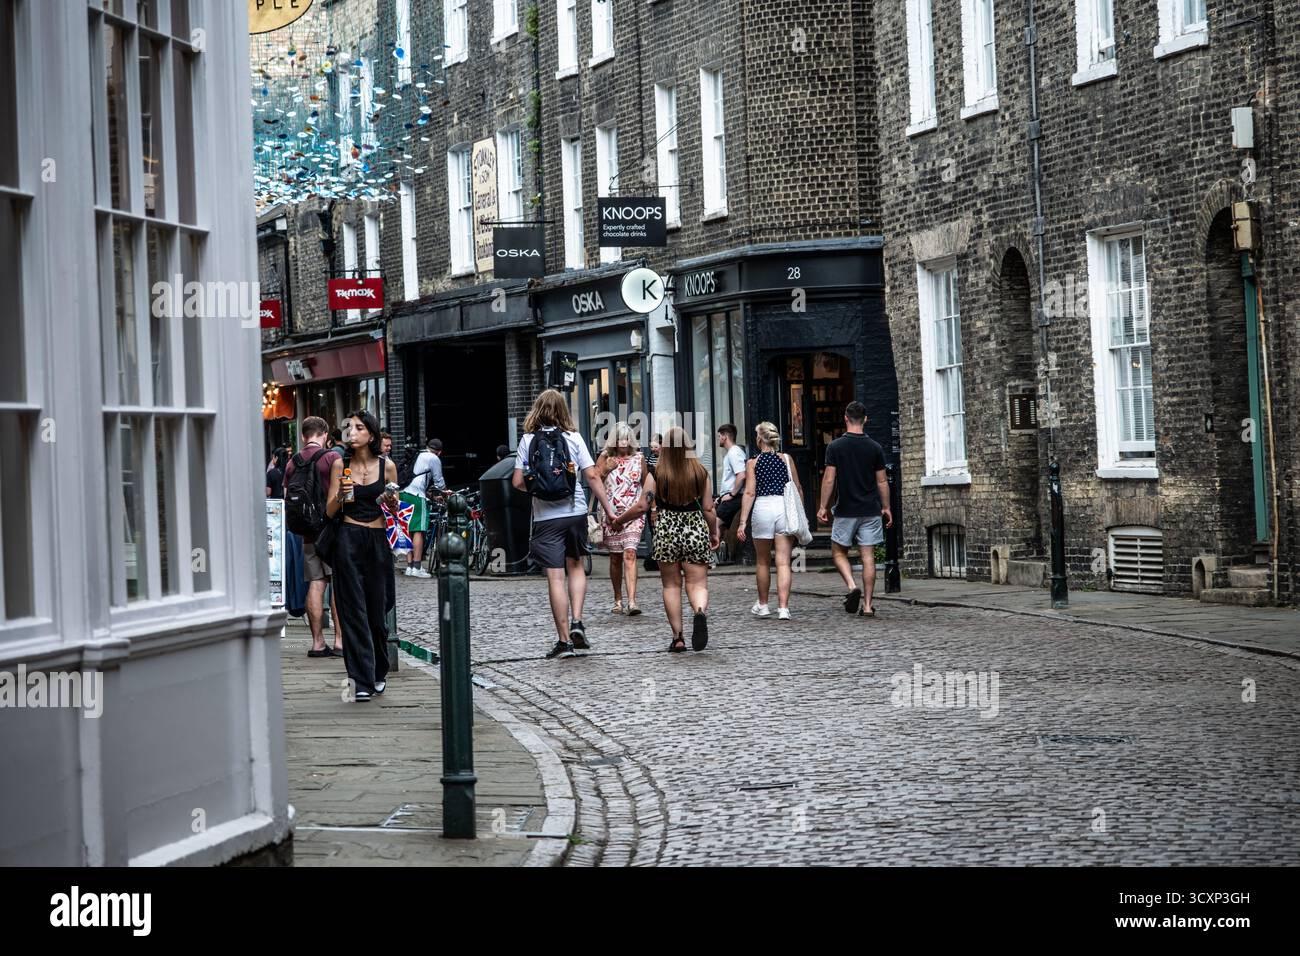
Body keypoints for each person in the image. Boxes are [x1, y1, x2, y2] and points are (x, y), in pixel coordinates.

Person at [512, 389, 613, 660]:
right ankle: (578, 621)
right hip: (575, 511)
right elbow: (592, 476)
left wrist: (540, 492)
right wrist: (609, 510)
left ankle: (564, 640)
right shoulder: (574, 438)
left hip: (546, 518)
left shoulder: (528, 440)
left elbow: (518, 482)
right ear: (563, 411)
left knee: (555, 577)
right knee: (576, 564)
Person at [610, 426, 719, 652]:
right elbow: (708, 509)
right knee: (697, 582)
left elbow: (642, 505)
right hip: (694, 529)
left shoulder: (656, 474)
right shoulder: (701, 472)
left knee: (671, 585)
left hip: (667, 530)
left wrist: (620, 520)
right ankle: (699, 611)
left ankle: (678, 638)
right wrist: (713, 531)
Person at [325, 409, 399, 702]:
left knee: (378, 610)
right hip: (348, 537)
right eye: (348, 429)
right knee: (352, 609)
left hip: (377, 540)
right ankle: (361, 680)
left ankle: (378, 670)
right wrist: (341, 496)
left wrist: (393, 503)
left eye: (357, 428)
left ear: (371, 434)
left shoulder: (387, 467)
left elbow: (396, 511)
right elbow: (329, 511)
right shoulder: (339, 466)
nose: (350, 433)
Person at [817, 401, 892, 618]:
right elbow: (882, 482)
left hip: (846, 510)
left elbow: (829, 479)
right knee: (867, 556)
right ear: (866, 419)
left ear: (845, 418)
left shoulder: (835, 447)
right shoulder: (875, 448)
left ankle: (851, 587)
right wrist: (886, 507)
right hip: (870, 509)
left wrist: (823, 506)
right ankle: (868, 606)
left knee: (838, 551)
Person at [284, 417, 342, 657]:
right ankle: (340, 641)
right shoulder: (332, 458)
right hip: (332, 530)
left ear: (303, 436)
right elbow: (341, 495)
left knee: (316, 584)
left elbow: (287, 496)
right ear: (325, 434)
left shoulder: (292, 463)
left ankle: (318, 643)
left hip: (307, 533)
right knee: (338, 584)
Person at [736, 421, 803, 620]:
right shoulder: (786, 459)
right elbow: (797, 488)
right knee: (783, 562)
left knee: (763, 561)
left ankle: (763, 605)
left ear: (759, 439)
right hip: (783, 506)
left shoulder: (753, 463)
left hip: (763, 508)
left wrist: (742, 522)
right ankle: (783, 608)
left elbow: (749, 492)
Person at [596, 423, 647, 615]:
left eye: (626, 438)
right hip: (611, 514)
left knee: (630, 553)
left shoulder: (639, 458)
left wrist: (653, 508)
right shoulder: (605, 457)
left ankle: (632, 601)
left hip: (633, 514)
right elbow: (594, 480)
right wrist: (606, 470)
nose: (623, 442)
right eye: (620, 439)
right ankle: (618, 599)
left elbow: (646, 484)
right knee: (615, 558)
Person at [399, 438, 446, 577]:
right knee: (419, 530)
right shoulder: (434, 458)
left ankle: (409, 567)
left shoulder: (418, 454)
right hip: (417, 496)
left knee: (407, 529)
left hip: (403, 493)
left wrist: (430, 496)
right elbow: (439, 482)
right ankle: (417, 567)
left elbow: (416, 479)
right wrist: (445, 492)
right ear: (439, 452)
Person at [714, 424, 748, 534]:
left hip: (734, 498)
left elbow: (741, 475)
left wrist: (731, 495)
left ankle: (713, 550)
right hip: (731, 498)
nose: (719, 439)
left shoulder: (734, 451)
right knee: (720, 528)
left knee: (714, 525)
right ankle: (719, 550)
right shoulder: (733, 452)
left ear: (725, 436)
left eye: (719, 436)